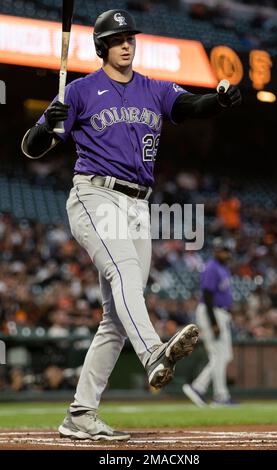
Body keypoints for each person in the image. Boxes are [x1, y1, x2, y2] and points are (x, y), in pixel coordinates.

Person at [21, 9, 241, 440]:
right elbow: (31, 148)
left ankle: (80, 414)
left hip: (139, 206)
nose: (127, 43)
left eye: (130, 37)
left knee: (118, 316)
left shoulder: (152, 88)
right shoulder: (81, 91)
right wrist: (49, 119)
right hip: (95, 195)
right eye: (118, 38)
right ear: (103, 46)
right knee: (123, 272)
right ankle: (153, 351)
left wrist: (217, 99)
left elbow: (191, 105)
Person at [183, 238, 235, 406]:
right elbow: (207, 295)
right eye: (223, 250)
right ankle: (218, 394)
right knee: (219, 355)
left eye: (227, 250)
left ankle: (203, 388)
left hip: (220, 313)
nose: (226, 253)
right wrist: (214, 322)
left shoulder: (223, 268)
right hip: (211, 312)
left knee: (223, 356)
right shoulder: (212, 267)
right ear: (216, 251)